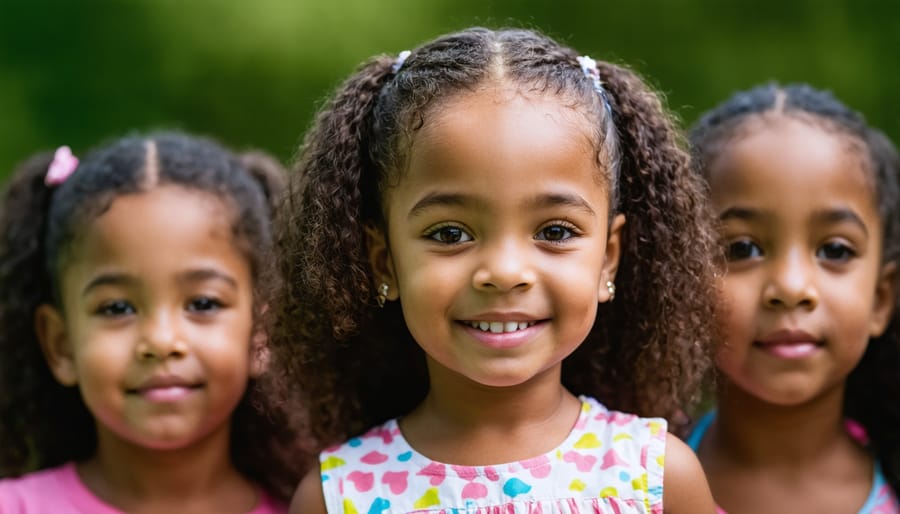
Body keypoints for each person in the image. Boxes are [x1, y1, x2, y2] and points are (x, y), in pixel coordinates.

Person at [270, 27, 720, 514]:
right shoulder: (337, 497)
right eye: (449, 234)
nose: (505, 272)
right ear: (384, 261)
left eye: (555, 231)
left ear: (608, 257)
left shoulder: (656, 479)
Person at [0, 133, 306, 513]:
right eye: (117, 308)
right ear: (60, 345)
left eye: (203, 303)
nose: (161, 341)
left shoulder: (315, 506)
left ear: (261, 334)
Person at [687, 83, 900, 514]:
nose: (790, 287)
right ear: (687, 284)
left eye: (834, 251)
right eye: (742, 248)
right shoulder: (633, 480)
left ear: (881, 299)